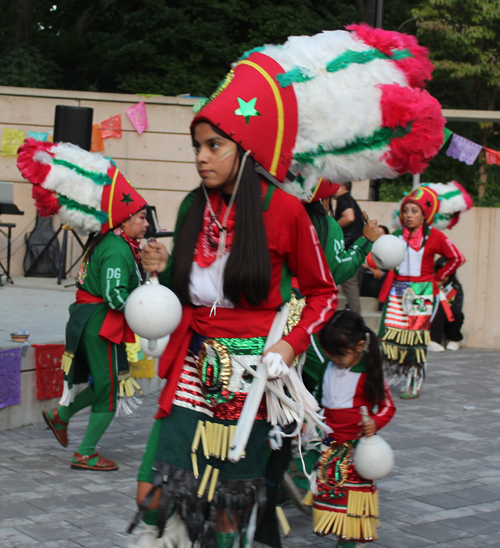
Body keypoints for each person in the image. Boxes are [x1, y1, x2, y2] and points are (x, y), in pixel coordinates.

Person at [130, 101, 337, 547]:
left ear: (245, 150)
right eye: (197, 146)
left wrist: (291, 346)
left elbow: (323, 293)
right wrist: (164, 268)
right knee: (153, 494)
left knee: (229, 504)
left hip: (255, 376)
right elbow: (188, 289)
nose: (201, 156)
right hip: (192, 366)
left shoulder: (284, 210)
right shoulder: (192, 206)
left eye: (214, 145)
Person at [17, 138, 148, 471]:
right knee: (108, 392)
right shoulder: (118, 249)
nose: (147, 225)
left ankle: (60, 415)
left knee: (108, 384)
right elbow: (116, 296)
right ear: (125, 220)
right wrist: (147, 302)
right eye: (142, 218)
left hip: (90, 320)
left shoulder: (109, 240)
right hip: (101, 324)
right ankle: (86, 452)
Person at [311, 310, 395, 547]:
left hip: (357, 453)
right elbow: (317, 400)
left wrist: (374, 422)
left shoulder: (370, 372)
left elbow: (388, 407)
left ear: (359, 346)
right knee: (334, 502)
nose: (335, 358)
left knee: (353, 509)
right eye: (331, 353)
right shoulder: (326, 367)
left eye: (341, 354)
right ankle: (344, 539)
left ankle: (350, 542)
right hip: (329, 450)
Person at [379, 185, 465, 399]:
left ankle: (413, 381)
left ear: (424, 215)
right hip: (398, 291)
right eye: (406, 210)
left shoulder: (435, 236)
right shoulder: (397, 235)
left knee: (415, 339)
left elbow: (457, 257)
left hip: (422, 291)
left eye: (414, 211)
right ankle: (389, 378)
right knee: (390, 337)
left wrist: (439, 278)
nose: (408, 215)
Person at [333, 182, 365, 315]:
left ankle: (356, 320)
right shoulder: (351, 200)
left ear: (343, 187)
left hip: (347, 250)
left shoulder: (343, 199)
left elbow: (349, 216)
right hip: (355, 248)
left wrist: (333, 227)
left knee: (349, 284)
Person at [429, 257, 465, 352]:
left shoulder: (455, 287)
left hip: (449, 319)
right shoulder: (429, 284)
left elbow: (458, 306)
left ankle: (454, 339)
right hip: (432, 318)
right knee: (439, 307)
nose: (443, 277)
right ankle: (434, 340)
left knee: (453, 311)